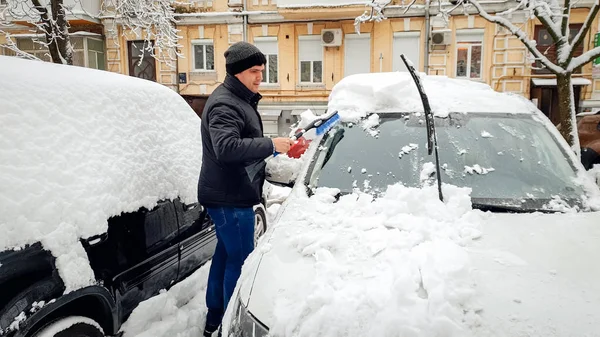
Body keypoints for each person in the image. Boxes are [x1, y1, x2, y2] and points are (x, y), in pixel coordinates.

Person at [197, 41, 294, 337]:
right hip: (229, 198)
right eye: (254, 71)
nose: (259, 77)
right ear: (237, 72)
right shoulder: (226, 103)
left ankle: (215, 319)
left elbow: (240, 144)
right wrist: (271, 145)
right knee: (239, 264)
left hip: (228, 193)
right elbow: (226, 148)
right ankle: (230, 326)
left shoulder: (239, 99)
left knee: (226, 257)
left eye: (261, 71)